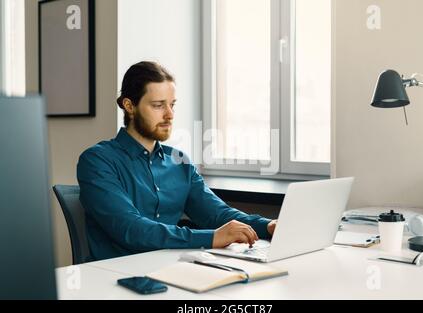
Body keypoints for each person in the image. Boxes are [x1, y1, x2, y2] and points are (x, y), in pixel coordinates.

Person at [77, 61, 277, 260]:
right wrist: (213, 237)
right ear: (130, 106)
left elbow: (216, 214)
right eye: (158, 105)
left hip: (171, 269)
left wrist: (267, 226)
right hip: (114, 277)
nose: (170, 115)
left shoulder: (179, 161)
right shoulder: (97, 161)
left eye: (172, 105)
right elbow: (131, 229)